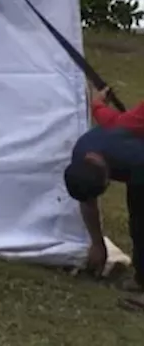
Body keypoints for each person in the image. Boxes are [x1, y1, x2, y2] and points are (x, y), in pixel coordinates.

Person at [64, 88, 145, 308]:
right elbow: (87, 201)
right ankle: (142, 278)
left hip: (139, 163)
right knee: (138, 222)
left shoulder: (134, 157)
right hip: (135, 168)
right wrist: (97, 244)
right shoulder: (81, 154)